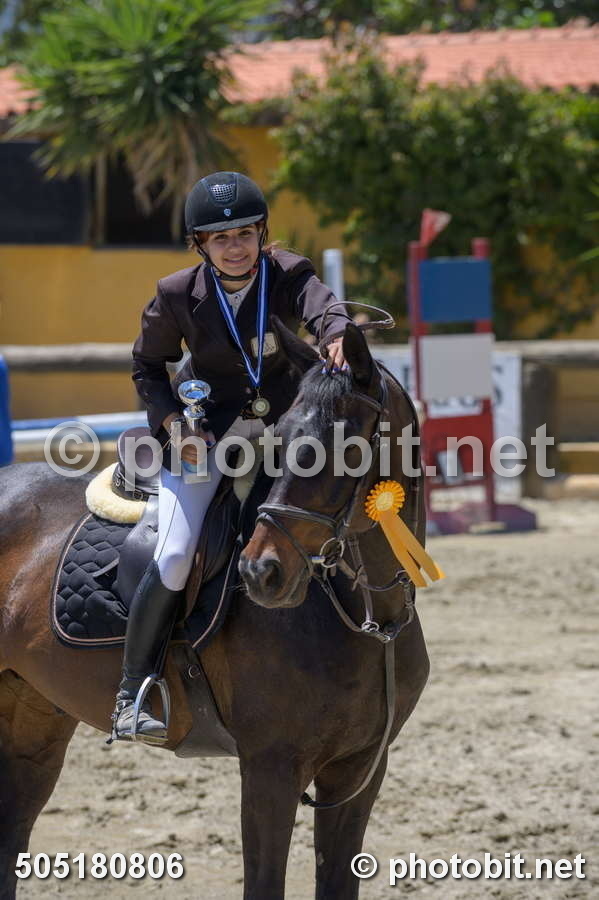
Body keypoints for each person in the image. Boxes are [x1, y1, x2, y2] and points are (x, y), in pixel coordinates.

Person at [110, 171, 351, 744]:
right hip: (206, 438)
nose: (235, 246)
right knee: (174, 555)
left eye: (244, 233)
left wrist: (337, 333)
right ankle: (133, 690)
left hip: (284, 438)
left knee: (325, 525)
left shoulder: (287, 272)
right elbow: (148, 366)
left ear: (261, 233)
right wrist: (174, 426)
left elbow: (324, 308)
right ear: (201, 244)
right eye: (221, 238)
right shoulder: (176, 293)